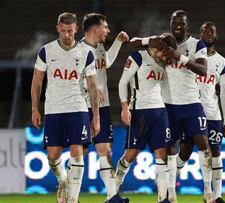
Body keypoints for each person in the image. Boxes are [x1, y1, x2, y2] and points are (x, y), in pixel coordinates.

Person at [31, 12, 100, 203]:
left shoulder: (86, 53)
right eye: (63, 31)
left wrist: (96, 116)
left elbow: (93, 87)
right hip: (53, 109)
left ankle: (72, 199)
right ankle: (62, 180)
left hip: (78, 107)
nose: (67, 35)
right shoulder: (47, 51)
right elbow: (37, 82)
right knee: (53, 157)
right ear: (57, 29)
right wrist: (35, 109)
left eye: (70, 31)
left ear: (76, 29)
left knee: (77, 154)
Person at [115, 33, 178, 203]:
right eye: (164, 53)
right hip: (139, 111)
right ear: (158, 48)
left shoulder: (165, 63)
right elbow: (122, 82)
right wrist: (124, 107)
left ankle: (162, 198)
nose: (165, 57)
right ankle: (113, 193)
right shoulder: (137, 57)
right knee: (130, 155)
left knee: (161, 154)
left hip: (160, 111)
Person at [161, 10, 214, 203]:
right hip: (169, 104)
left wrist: (179, 57)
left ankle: (208, 192)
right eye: (174, 22)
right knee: (171, 149)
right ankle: (171, 195)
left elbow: (202, 69)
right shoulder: (162, 42)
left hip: (191, 103)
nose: (177, 26)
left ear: (187, 26)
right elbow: (141, 44)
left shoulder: (196, 44)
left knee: (203, 144)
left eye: (181, 23)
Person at [79, 13, 129, 202]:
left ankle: (112, 196)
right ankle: (67, 191)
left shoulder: (99, 46)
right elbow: (70, 78)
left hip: (103, 106)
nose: (108, 30)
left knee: (105, 150)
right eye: (105, 27)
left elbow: (105, 62)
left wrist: (117, 42)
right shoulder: (79, 50)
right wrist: (88, 90)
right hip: (83, 107)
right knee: (80, 152)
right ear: (95, 28)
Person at [184, 21, 225, 203]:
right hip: (190, 110)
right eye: (204, 31)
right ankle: (167, 191)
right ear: (199, 34)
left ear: (216, 35)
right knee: (183, 153)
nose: (208, 33)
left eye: (212, 31)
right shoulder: (191, 55)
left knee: (215, 153)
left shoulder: (222, 62)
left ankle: (216, 195)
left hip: (212, 114)